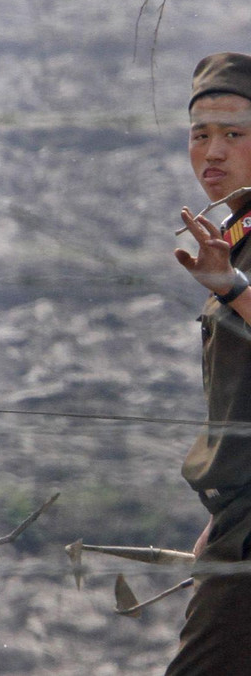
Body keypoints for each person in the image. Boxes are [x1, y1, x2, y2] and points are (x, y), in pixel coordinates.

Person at [168, 52, 251, 675]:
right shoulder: (238, 234)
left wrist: (232, 288)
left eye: (234, 135)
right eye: (201, 135)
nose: (212, 153)